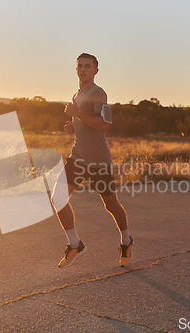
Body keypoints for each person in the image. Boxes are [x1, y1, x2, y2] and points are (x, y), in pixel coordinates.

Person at [51, 53, 133, 268]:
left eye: (88, 66)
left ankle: (126, 241)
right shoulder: (77, 94)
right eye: (79, 66)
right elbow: (83, 123)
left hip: (98, 160)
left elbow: (104, 125)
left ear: (96, 70)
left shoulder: (98, 93)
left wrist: (77, 115)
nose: (82, 69)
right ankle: (75, 244)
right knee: (58, 198)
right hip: (78, 157)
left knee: (111, 204)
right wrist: (72, 126)